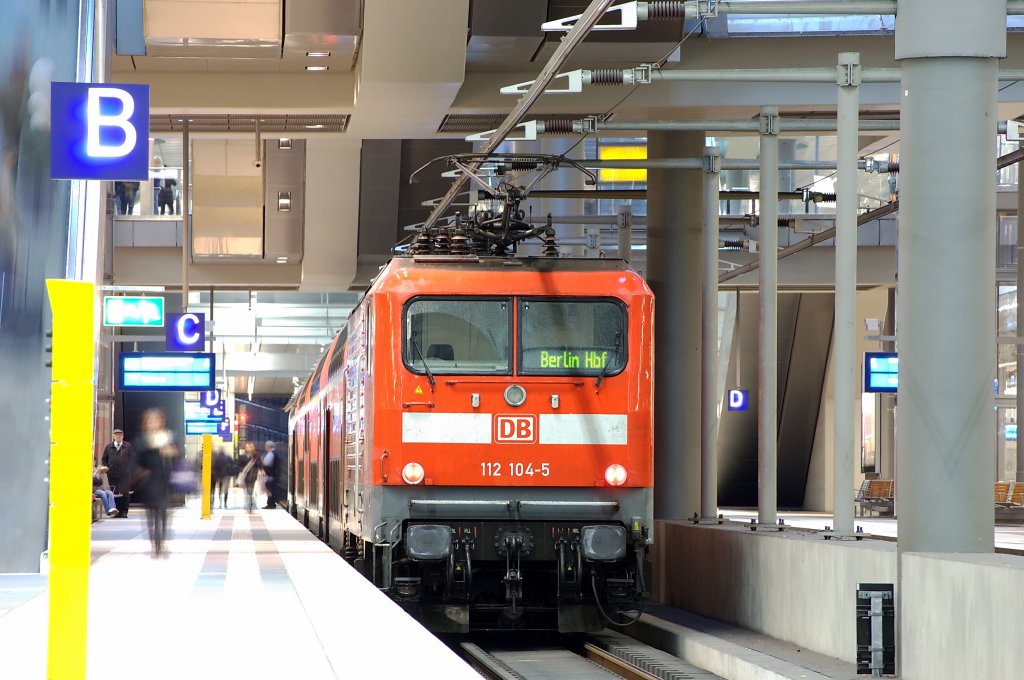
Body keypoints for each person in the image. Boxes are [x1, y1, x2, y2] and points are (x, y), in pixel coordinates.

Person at [133, 409, 177, 557]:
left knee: (163, 512)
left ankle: (161, 542)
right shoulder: (141, 440)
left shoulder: (168, 437)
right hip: (148, 480)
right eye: (150, 421)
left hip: (164, 480)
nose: (153, 423)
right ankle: (155, 543)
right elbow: (136, 459)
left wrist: (171, 452)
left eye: (156, 420)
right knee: (151, 515)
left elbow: (177, 455)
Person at [101, 428, 134, 518]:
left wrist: (129, 469)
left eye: (120, 435)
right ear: (113, 436)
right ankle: (117, 511)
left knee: (125, 493)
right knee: (114, 493)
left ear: (122, 436)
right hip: (112, 474)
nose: (118, 436)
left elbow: (132, 459)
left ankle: (124, 512)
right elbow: (104, 459)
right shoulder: (108, 447)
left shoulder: (128, 446)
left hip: (125, 474)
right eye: (116, 435)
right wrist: (105, 467)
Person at [236, 442, 262, 512]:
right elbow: (238, 465)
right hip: (244, 477)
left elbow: (260, 465)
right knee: (247, 491)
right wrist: (242, 470)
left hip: (253, 476)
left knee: (250, 491)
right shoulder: (242, 456)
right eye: (247, 447)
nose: (249, 449)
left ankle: (249, 505)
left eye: (250, 447)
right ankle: (249, 505)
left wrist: (261, 470)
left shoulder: (256, 456)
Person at [261, 441, 281, 510]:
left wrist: (265, 472)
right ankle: (271, 503)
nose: (265, 448)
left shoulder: (271, 454)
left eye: (265, 447)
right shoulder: (275, 454)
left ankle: (270, 504)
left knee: (270, 490)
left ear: (268, 446)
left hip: (271, 476)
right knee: (271, 490)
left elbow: (266, 464)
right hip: (274, 475)